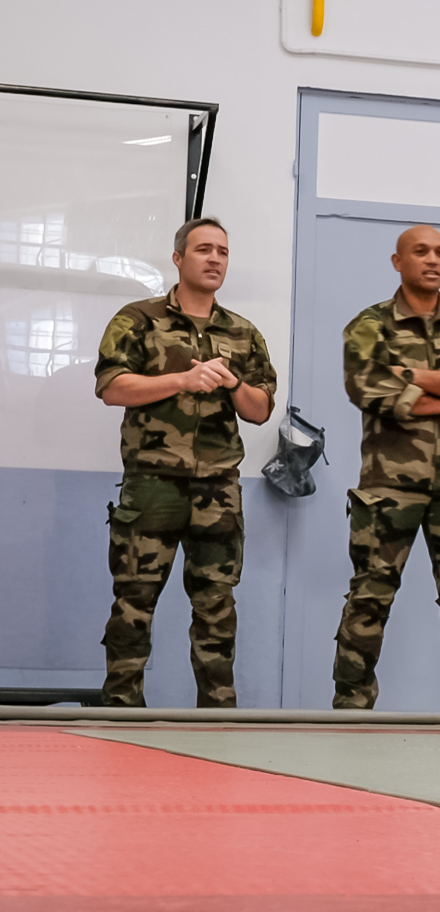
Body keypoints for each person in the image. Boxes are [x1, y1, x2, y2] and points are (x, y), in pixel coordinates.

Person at [95, 216, 276, 708]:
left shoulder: (243, 333)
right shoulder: (137, 319)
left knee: (217, 609)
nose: (214, 258)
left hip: (219, 488)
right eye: (203, 250)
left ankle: (218, 720)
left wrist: (233, 383)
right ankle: (121, 714)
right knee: (134, 605)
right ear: (179, 259)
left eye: (222, 251)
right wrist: (181, 380)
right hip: (153, 483)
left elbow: (260, 410)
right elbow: (111, 387)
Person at [332, 225, 440, 711]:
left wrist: (407, 378)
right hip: (389, 488)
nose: (433, 260)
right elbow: (368, 389)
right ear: (397, 262)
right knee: (370, 598)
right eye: (421, 251)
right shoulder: (370, 326)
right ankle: (350, 710)